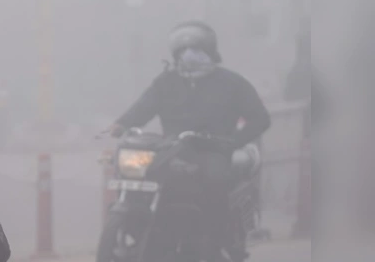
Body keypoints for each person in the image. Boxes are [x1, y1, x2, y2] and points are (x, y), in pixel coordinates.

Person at [109, 22, 271, 249]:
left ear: (211, 52)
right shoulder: (166, 82)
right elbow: (144, 107)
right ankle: (151, 232)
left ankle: (214, 240)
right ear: (175, 54)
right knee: (139, 174)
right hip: (171, 149)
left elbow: (260, 119)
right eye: (183, 50)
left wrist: (232, 143)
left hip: (214, 150)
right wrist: (121, 124)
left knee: (214, 181)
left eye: (197, 49)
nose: (189, 55)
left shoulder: (232, 83)